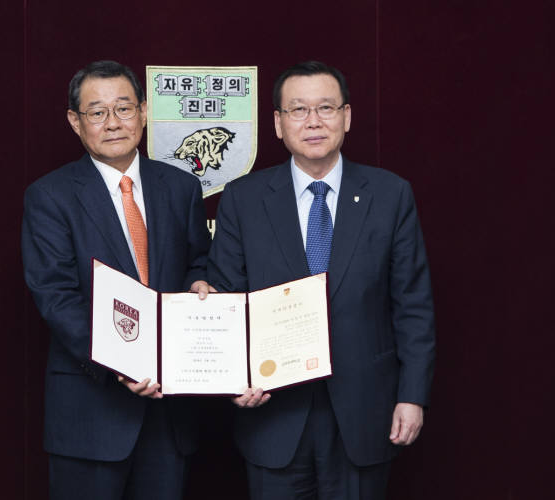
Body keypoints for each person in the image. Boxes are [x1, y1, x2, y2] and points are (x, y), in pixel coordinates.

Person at [207, 61, 436, 499]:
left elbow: (413, 303)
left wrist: (413, 395)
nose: (313, 121)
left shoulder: (390, 195)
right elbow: (226, 298)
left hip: (365, 412)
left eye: (326, 107)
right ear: (277, 123)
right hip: (272, 412)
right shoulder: (244, 198)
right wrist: (232, 378)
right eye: (298, 110)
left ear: (346, 117)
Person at [22, 60, 213, 500]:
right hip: (91, 409)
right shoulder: (50, 196)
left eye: (124, 108)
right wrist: (121, 362)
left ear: (144, 112)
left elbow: (197, 262)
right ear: (75, 121)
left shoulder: (181, 187)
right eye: (97, 112)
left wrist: (201, 285)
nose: (113, 123)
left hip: (170, 412)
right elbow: (55, 295)